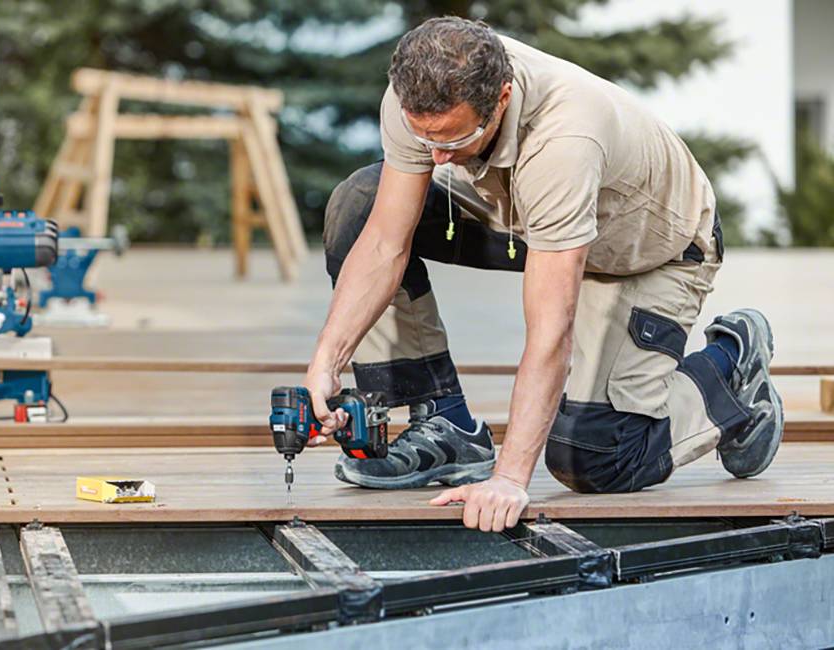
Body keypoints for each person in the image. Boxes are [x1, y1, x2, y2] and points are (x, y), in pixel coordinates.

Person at [303, 16, 783, 533]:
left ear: (502, 98)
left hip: (652, 253)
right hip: (531, 218)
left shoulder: (564, 139)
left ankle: (732, 371)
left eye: (453, 138)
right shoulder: (419, 96)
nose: (436, 156)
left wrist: (509, 477)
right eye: (424, 137)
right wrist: (327, 360)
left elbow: (551, 329)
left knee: (593, 456)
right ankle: (444, 424)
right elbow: (382, 244)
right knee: (360, 205)